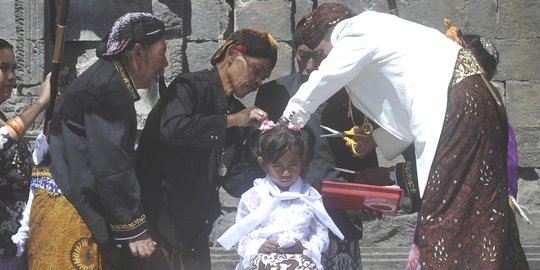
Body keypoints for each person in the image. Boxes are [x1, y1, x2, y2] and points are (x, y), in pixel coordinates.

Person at [280, 3, 529, 269]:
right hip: (477, 103)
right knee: (480, 205)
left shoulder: (356, 30)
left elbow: (324, 78)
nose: (321, 62)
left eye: (320, 53)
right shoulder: (387, 32)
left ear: (331, 32)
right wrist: (377, 139)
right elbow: (409, 103)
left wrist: (287, 122)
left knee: (443, 209)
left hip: (459, 106)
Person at [28, 12, 168, 269]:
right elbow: (112, 166)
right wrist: (134, 229)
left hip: (70, 205)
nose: (166, 62)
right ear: (138, 53)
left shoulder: (107, 79)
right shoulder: (109, 87)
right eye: (162, 53)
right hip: (69, 214)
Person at [134, 28, 278, 270]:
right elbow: (173, 129)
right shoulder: (188, 87)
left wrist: (260, 146)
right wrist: (232, 121)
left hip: (195, 233)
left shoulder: (237, 112)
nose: (258, 81)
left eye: (264, 76)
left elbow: (234, 183)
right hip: (156, 226)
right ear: (232, 54)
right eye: (257, 70)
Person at [252, 8, 379, 269]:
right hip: (287, 217)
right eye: (303, 57)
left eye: (319, 57)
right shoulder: (273, 93)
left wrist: (368, 196)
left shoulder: (356, 92)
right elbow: (261, 151)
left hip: (341, 211)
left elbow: (365, 151)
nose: (310, 66)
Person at [217, 121, 344, 270]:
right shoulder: (253, 197)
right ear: (263, 164)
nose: (286, 173)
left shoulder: (309, 195)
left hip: (301, 260)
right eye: (278, 166)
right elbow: (241, 236)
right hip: (261, 261)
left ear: (302, 162)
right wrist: (260, 247)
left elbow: (320, 233)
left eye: (293, 165)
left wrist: (304, 248)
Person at [0, 38, 51, 270]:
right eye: (3, 68)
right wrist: (40, 103)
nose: (11, 77)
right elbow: (3, 138)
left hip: (14, 243)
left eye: (13, 68)